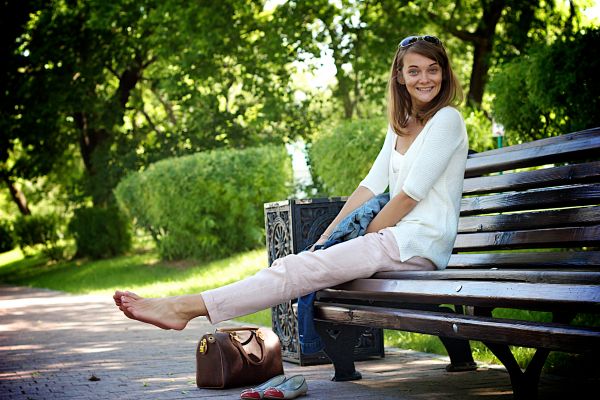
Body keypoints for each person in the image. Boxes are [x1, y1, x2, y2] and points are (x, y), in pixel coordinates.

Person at [114, 35, 468, 331]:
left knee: (300, 268)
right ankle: (186, 308)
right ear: (400, 77)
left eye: (433, 70)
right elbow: (369, 187)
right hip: (394, 242)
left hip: (417, 244)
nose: (425, 79)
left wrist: (366, 235)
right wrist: (328, 237)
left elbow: (409, 196)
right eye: (415, 70)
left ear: (444, 74)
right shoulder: (401, 125)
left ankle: (184, 309)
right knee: (303, 262)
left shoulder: (447, 120)